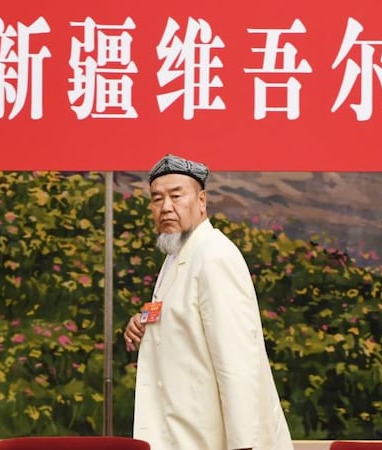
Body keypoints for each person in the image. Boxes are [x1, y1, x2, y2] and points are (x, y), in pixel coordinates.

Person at [124, 154, 294, 450]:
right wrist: (144, 322)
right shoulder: (176, 256)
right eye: (157, 199)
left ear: (201, 201)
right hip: (179, 435)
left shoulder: (214, 256)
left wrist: (243, 445)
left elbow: (236, 361)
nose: (166, 207)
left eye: (176, 196)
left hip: (211, 441)